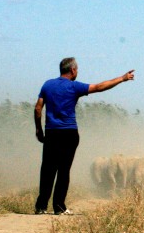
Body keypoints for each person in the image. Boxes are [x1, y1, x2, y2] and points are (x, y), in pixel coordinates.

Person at [34, 57, 135, 214]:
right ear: (73, 70)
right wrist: (122, 78)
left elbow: (38, 108)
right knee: (63, 170)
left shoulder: (47, 85)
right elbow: (100, 87)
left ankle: (41, 207)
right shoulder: (74, 87)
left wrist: (39, 130)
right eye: (77, 69)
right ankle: (59, 207)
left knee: (47, 169)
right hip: (69, 133)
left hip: (51, 132)